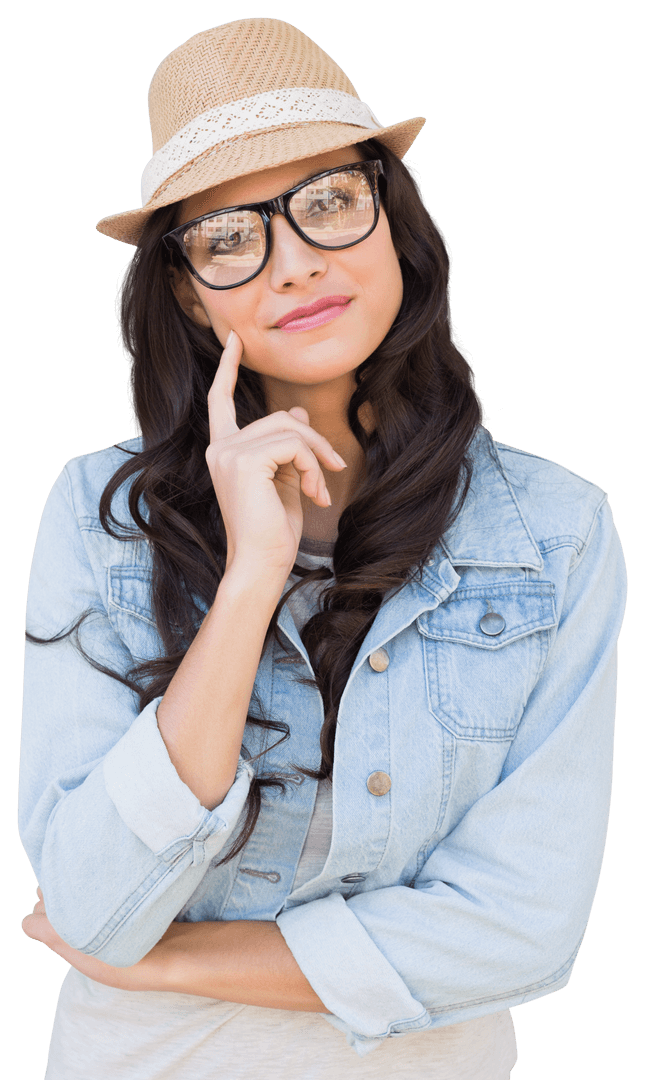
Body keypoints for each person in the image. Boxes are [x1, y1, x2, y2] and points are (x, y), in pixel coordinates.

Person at [18, 16, 627, 1080]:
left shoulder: (557, 530)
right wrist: (251, 580)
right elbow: (89, 896)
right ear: (186, 292)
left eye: (331, 203)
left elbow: (527, 927)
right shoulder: (97, 513)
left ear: (397, 220)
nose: (294, 265)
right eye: (229, 237)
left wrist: (171, 961)